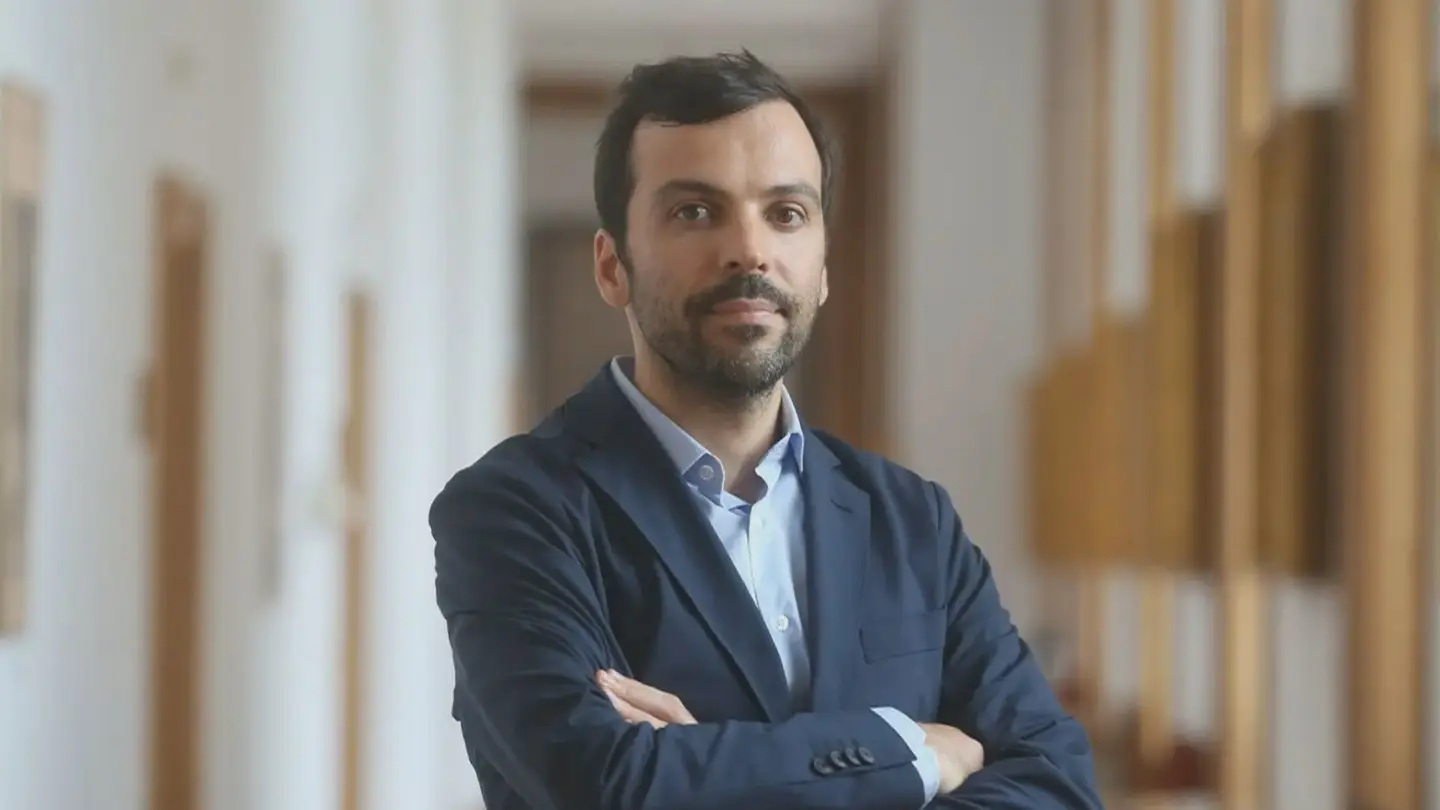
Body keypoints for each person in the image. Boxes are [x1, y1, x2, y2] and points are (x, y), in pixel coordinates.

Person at [431, 50, 1102, 810]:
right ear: (612, 265)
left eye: (786, 214)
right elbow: (604, 784)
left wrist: (701, 768)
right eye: (695, 211)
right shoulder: (514, 512)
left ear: (818, 267)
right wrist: (912, 749)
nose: (749, 250)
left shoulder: (914, 522)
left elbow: (1059, 787)